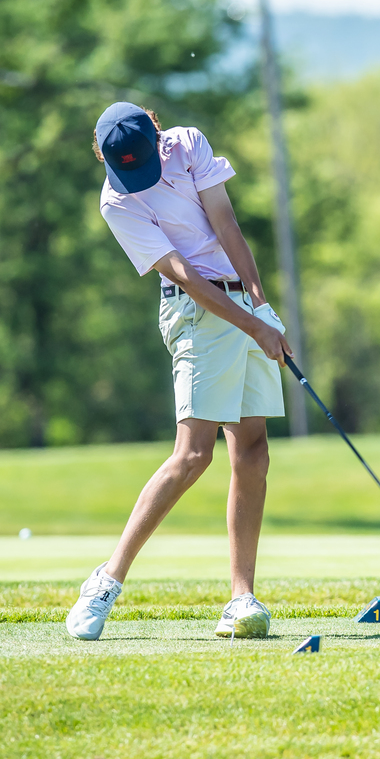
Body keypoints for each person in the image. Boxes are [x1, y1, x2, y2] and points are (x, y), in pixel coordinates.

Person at [66, 102, 292, 641]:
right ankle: (105, 581)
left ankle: (242, 599)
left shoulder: (188, 144)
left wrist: (261, 306)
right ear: (101, 155)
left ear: (157, 131)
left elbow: (227, 224)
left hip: (239, 303)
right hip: (196, 311)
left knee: (253, 449)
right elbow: (186, 274)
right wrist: (252, 325)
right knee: (193, 454)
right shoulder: (117, 199)